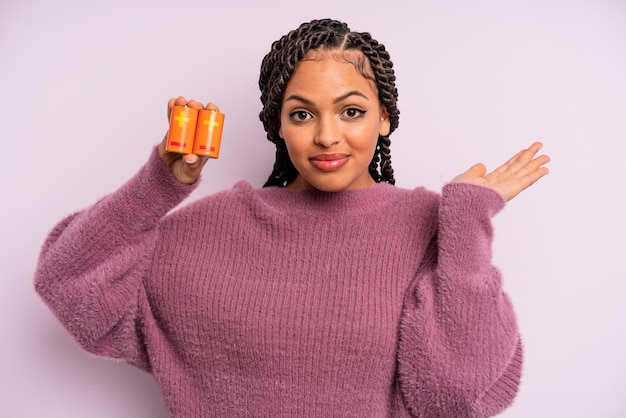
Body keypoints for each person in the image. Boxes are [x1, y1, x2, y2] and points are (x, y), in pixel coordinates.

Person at [34, 18, 549, 417]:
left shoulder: (428, 225)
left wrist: (466, 224)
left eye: (351, 111)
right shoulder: (203, 231)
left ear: (384, 117)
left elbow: (455, 397)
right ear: (277, 123)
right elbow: (69, 285)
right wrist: (158, 185)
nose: (327, 136)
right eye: (302, 114)